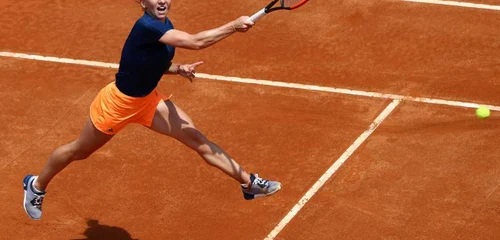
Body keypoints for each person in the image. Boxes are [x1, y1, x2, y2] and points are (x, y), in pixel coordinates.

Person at [23, 0, 281, 220]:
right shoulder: (146, 26)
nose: (162, 1)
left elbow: (154, 62)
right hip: (117, 105)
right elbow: (196, 42)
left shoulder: (164, 25)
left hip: (148, 101)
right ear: (142, 2)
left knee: (197, 139)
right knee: (79, 151)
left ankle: (248, 183)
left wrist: (177, 68)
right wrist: (233, 26)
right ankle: (36, 185)